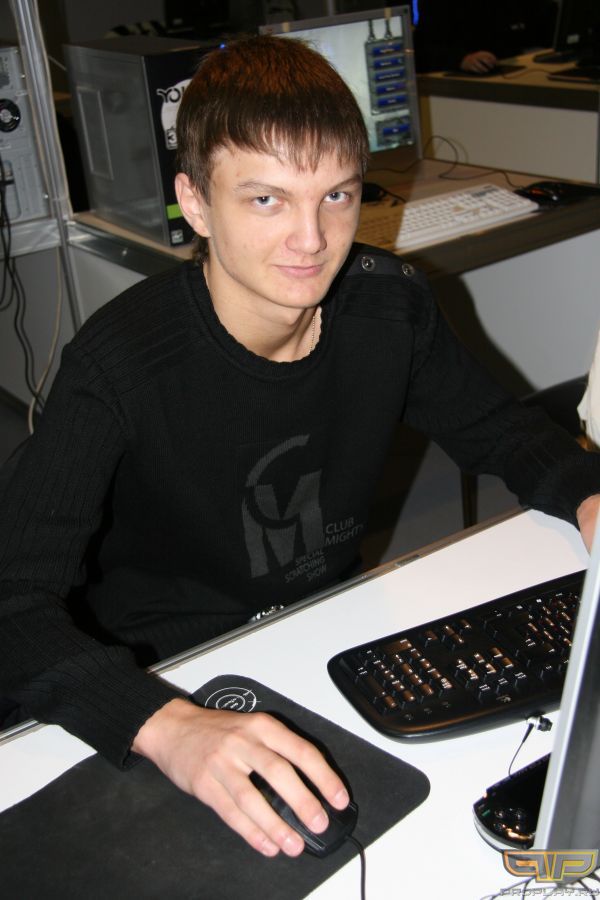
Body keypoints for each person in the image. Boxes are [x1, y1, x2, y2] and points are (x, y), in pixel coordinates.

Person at [0, 35, 599, 860]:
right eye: (267, 200)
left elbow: (501, 428)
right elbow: (14, 602)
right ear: (196, 203)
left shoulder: (388, 308)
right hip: (168, 667)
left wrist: (590, 496)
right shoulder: (122, 364)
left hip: (329, 629)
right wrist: (164, 724)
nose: (312, 240)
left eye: (337, 196)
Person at [414, 0, 558, 73]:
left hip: (510, 71)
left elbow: (545, 28)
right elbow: (421, 51)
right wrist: (462, 60)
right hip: (465, 86)